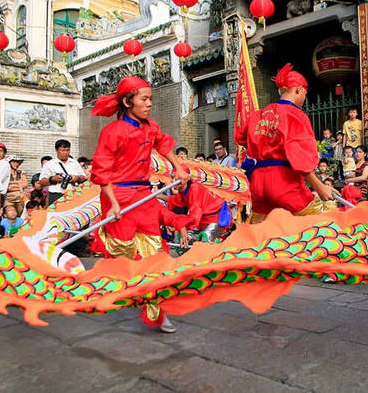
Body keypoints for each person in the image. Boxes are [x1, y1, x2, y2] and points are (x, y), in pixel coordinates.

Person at [89, 75, 189, 333]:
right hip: (118, 199)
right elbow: (102, 173)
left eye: (150, 99)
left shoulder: (150, 127)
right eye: (144, 99)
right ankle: (119, 289)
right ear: (127, 101)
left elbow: (164, 145)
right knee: (124, 256)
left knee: (154, 256)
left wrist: (177, 167)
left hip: (144, 198)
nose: (149, 104)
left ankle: (158, 310)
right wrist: (111, 204)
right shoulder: (112, 132)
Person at [234, 64, 334, 222]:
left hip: (259, 184)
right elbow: (298, 156)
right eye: (305, 94)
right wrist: (319, 186)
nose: (304, 98)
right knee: (325, 223)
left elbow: (241, 137)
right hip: (283, 183)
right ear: (298, 90)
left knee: (263, 235)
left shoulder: (259, 115)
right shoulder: (295, 115)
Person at [168, 179, 231, 247]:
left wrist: (181, 226)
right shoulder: (185, 190)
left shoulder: (195, 188)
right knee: (187, 239)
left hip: (215, 219)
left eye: (175, 178)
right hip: (200, 221)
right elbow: (176, 200)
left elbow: (195, 215)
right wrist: (158, 195)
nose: (172, 180)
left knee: (204, 243)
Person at [39, 140, 88, 205]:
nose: (65, 153)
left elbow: (83, 177)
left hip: (73, 194)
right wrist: (52, 179)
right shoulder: (49, 164)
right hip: (56, 195)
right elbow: (42, 182)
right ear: (57, 150)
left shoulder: (74, 163)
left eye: (67, 150)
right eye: (62, 150)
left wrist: (76, 178)